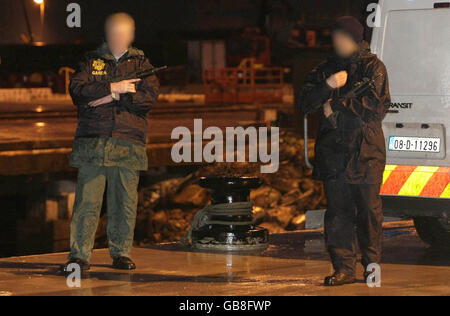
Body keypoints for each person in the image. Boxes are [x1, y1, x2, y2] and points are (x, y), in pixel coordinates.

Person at [62, 13, 159, 272]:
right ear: (107, 34)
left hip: (128, 144)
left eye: (124, 31)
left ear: (131, 35)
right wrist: (113, 88)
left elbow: (148, 99)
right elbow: (78, 92)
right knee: (87, 203)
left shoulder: (142, 64)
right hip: (93, 144)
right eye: (114, 31)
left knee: (124, 202)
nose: (119, 36)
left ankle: (121, 253)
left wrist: (113, 96)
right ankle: (79, 256)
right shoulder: (90, 60)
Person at [298, 16, 390, 286]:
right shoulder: (325, 69)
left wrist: (335, 104)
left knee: (369, 214)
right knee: (338, 215)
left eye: (343, 37)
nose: (337, 42)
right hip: (334, 155)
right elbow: (305, 103)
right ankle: (343, 269)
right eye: (335, 37)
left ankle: (372, 269)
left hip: (366, 152)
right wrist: (328, 86)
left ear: (354, 39)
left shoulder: (374, 67)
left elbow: (376, 106)